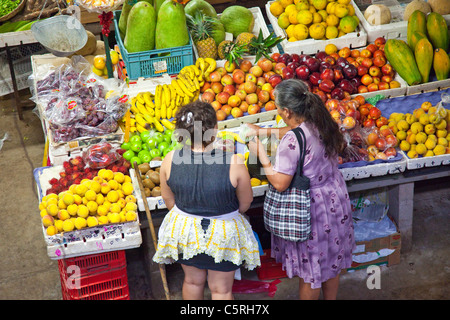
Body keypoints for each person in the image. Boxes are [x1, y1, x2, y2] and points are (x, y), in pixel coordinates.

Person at [247, 79, 355, 300]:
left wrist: (261, 155)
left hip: (312, 209)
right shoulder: (321, 121)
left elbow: (280, 182)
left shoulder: (292, 142)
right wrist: (265, 131)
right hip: (334, 199)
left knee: (312, 273)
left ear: (286, 111)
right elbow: (293, 130)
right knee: (330, 262)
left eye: (277, 108)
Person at [153, 100, 261, 300]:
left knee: (192, 282)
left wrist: (190, 214)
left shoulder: (169, 159)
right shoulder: (234, 161)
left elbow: (168, 199)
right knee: (221, 290)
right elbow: (245, 203)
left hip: (186, 233)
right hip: (223, 233)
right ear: (215, 129)